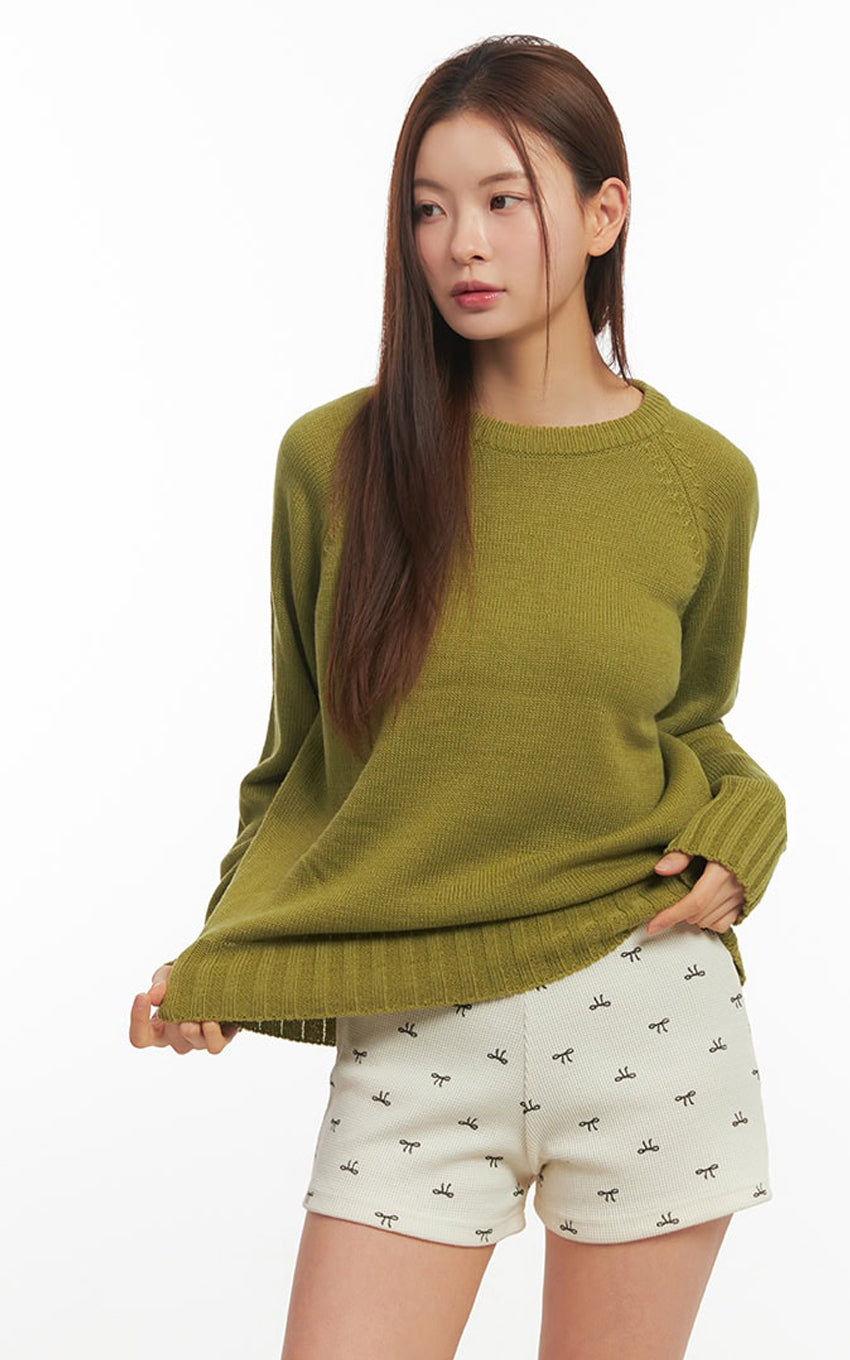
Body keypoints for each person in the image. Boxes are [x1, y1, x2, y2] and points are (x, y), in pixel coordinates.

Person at [130, 33, 787, 1360]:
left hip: (647, 1005)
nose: (461, 244)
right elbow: (303, 765)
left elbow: (687, 726)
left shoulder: (701, 480)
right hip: (416, 1025)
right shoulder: (336, 461)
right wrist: (227, 950)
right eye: (428, 209)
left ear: (604, 213)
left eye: (504, 199)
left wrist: (748, 833)